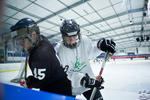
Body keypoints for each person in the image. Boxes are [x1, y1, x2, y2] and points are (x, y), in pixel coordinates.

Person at [10, 18, 72, 96]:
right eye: (18, 41)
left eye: (22, 40)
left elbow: (40, 82)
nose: (20, 44)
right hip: (62, 85)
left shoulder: (40, 55)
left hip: (57, 92)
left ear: (33, 35)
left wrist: (29, 81)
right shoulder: (41, 39)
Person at [55, 19, 116, 100]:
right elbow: (67, 74)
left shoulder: (84, 40)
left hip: (89, 82)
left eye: (75, 36)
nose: (72, 40)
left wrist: (99, 47)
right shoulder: (60, 50)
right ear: (63, 36)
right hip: (71, 87)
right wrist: (83, 80)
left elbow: (91, 53)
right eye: (68, 38)